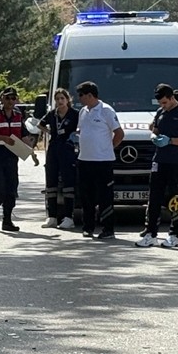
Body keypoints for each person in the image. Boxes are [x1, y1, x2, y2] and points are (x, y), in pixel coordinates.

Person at [136, 84, 178, 248]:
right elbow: (155, 129)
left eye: (164, 102)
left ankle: (174, 234)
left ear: (171, 98)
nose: (162, 106)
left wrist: (170, 141)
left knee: (176, 199)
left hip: (177, 162)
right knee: (154, 197)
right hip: (159, 160)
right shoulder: (160, 112)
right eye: (160, 103)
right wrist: (154, 137)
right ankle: (151, 233)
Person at [75, 80, 124, 239]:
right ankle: (88, 226)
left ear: (90, 95)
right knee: (86, 196)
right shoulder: (83, 111)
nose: (79, 98)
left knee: (105, 196)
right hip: (85, 160)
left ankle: (107, 228)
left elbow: (119, 133)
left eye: (81, 95)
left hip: (103, 161)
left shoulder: (106, 110)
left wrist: (108, 148)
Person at [0, 87, 26, 232]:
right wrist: (3, 139)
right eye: (7, 98)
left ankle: (7, 220)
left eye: (13, 98)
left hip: (12, 158)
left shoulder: (18, 115)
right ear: (1, 99)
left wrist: (30, 150)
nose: (10, 101)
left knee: (12, 188)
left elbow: (24, 135)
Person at [40, 88, 79, 229]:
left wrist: (75, 134)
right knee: (51, 181)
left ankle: (69, 217)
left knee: (68, 182)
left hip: (68, 149)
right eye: (57, 99)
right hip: (54, 148)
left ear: (68, 99)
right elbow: (40, 124)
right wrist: (49, 131)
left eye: (62, 98)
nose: (60, 101)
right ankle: (52, 217)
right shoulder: (52, 114)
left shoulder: (75, 114)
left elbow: (81, 127)